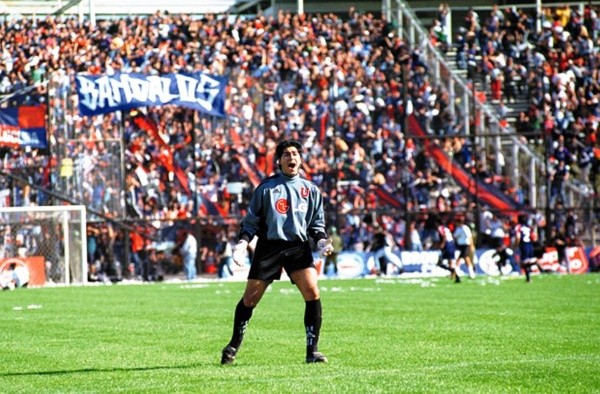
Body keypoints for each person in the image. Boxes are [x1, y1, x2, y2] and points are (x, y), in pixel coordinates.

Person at [221, 139, 334, 365]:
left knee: (312, 292)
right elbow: (251, 222)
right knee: (250, 299)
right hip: (269, 246)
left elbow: (317, 226)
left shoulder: (311, 190)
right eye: (286, 154)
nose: (291, 157)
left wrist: (322, 242)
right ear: (279, 161)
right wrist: (242, 244)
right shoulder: (266, 188)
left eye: (295, 153)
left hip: (298, 246)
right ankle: (232, 345)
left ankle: (312, 352)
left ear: (300, 159)